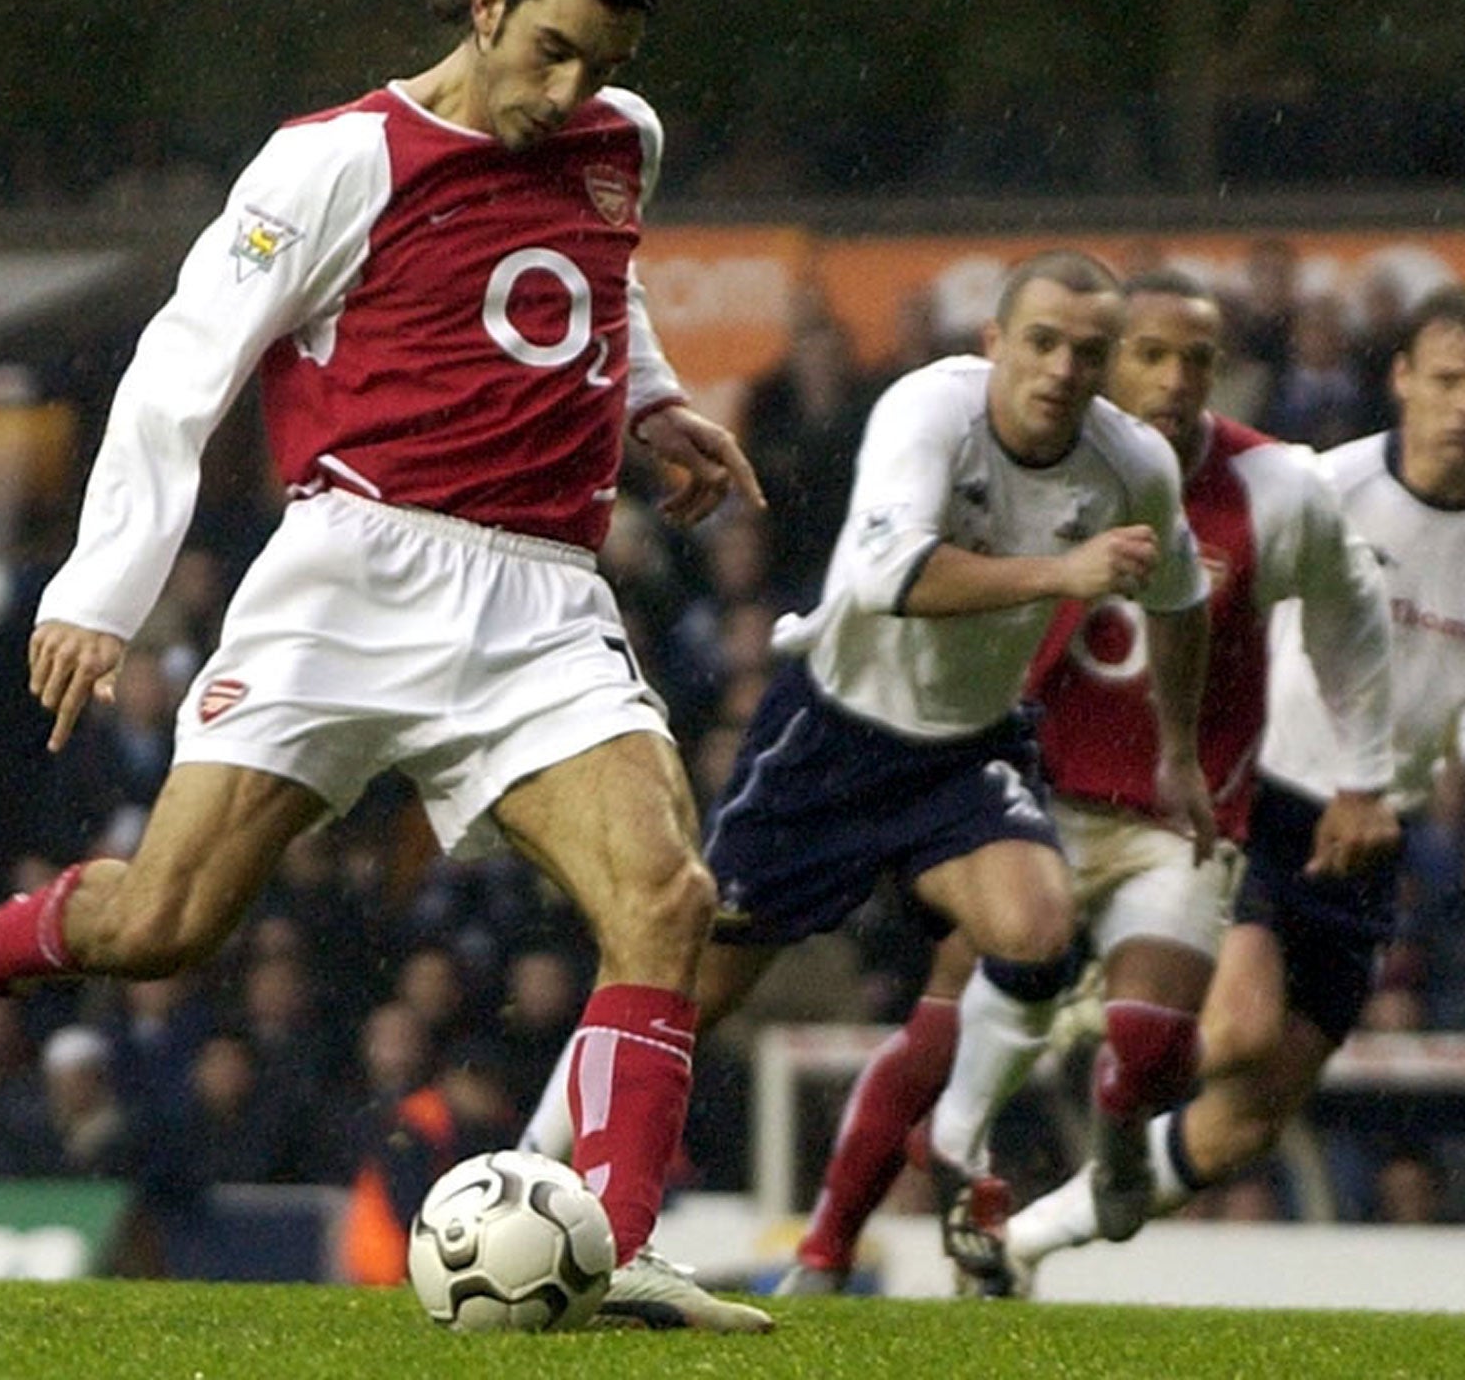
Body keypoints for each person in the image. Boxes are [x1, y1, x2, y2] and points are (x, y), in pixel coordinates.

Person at [0, 0, 770, 1332]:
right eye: (555, 51)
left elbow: (593, 288)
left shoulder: (614, 146)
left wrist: (654, 404)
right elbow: (180, 369)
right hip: (352, 580)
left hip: (543, 599)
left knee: (667, 901)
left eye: (606, 65)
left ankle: (616, 1245)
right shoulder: (332, 163)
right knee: (162, 927)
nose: (573, 90)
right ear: (488, 4)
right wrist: (102, 590)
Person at [518, 249, 1213, 1282]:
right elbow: (892, 574)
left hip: (965, 748)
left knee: (1035, 930)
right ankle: (532, 1168)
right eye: (1040, 342)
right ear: (993, 345)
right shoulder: (926, 412)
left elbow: (1181, 600)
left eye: (1087, 351)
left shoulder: (1132, 468)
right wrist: (1059, 571)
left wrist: (1180, 751)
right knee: (685, 989)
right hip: (828, 740)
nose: (1061, 368)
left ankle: (957, 1139)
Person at [774, 269, 1394, 1294]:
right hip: (1036, 793)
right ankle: (824, 1250)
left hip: (1171, 817)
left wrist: (1363, 774)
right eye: (1145, 355)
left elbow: (1351, 623)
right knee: (938, 1026)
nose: (1172, 379)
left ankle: (1106, 1154)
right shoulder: (1047, 458)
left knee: (1149, 1049)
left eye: (1195, 359)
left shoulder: (1277, 489)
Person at [1001, 283, 1465, 1289]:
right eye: (1445, 379)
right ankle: (1106, 1006)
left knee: (1247, 1121)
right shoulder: (1319, 486)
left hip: (1369, 836)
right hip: (1269, 797)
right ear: (1400, 382)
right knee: (1238, 1031)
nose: (1461, 405)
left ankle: (1029, 1237)